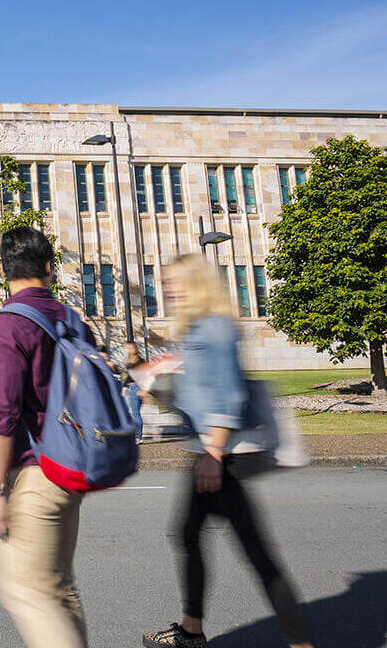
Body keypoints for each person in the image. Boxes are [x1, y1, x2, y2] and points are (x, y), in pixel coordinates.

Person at [141, 254, 315, 648]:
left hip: (222, 455)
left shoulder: (214, 329)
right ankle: (192, 629)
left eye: (174, 281)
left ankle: (296, 641)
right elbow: (201, 394)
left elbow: (228, 395)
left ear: (197, 283)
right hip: (213, 451)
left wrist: (213, 455)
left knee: (253, 554)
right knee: (192, 536)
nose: (167, 288)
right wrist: (160, 389)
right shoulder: (201, 329)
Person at [0, 226, 93, 648]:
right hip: (74, 463)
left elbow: (1, 413)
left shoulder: (8, 323)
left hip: (37, 472)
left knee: (27, 591)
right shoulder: (72, 318)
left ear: (4, 271)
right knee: (59, 588)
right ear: (48, 267)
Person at [121, 341, 145, 444]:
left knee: (135, 413)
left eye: (130, 348)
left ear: (135, 349)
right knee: (133, 413)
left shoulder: (139, 361)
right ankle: (135, 436)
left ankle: (138, 437)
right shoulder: (130, 360)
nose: (128, 350)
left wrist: (125, 386)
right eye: (127, 348)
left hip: (136, 387)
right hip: (133, 387)